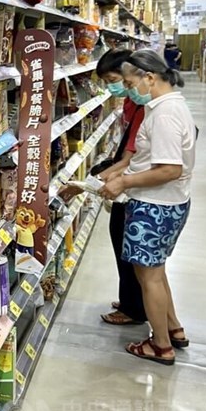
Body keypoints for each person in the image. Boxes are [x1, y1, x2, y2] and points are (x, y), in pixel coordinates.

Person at [100, 50, 196, 366]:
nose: (128, 89)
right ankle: (173, 329)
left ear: (149, 78)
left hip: (156, 207)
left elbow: (170, 169)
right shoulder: (170, 106)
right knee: (156, 272)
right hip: (166, 203)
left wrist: (124, 183)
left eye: (129, 83)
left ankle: (161, 345)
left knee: (149, 278)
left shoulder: (165, 114)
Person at [61, 49, 147, 325]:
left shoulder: (149, 108)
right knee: (121, 244)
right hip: (127, 184)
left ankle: (134, 309)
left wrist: (93, 183)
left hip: (137, 190)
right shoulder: (132, 104)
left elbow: (131, 159)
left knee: (130, 251)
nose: (111, 86)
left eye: (114, 79)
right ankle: (130, 300)